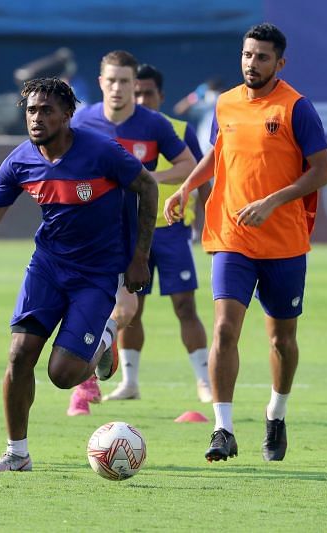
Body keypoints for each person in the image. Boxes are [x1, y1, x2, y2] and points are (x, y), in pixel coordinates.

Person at [0, 78, 158, 472]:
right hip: (48, 267)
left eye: (46, 110)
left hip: (96, 274)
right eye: (30, 110)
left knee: (62, 376)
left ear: (67, 115)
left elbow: (147, 187)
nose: (37, 117)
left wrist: (139, 256)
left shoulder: (100, 151)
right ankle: (17, 454)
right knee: (18, 354)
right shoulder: (19, 161)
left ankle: (106, 337)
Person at [164, 23, 327, 462]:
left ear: (280, 62)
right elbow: (219, 152)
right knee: (223, 328)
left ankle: (276, 413)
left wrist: (273, 202)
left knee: (281, 340)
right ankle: (223, 429)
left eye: (261, 57)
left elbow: (321, 171)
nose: (251, 64)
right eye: (246, 55)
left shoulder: (297, 108)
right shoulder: (226, 103)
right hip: (232, 236)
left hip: (284, 242)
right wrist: (185, 188)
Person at [66, 50, 197, 415]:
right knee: (88, 305)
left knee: (124, 307)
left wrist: (149, 179)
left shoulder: (153, 124)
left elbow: (188, 164)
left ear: (133, 84)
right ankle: (84, 386)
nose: (119, 88)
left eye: (126, 82)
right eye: (112, 81)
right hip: (89, 231)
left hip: (132, 230)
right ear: (100, 83)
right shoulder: (82, 122)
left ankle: (98, 353)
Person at [100, 63, 212, 403]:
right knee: (132, 309)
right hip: (132, 234)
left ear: (161, 96)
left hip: (172, 231)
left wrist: (205, 224)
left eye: (148, 92)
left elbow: (201, 176)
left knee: (185, 306)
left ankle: (204, 381)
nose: (141, 98)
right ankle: (129, 382)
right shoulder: (116, 129)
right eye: (137, 92)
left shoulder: (176, 129)